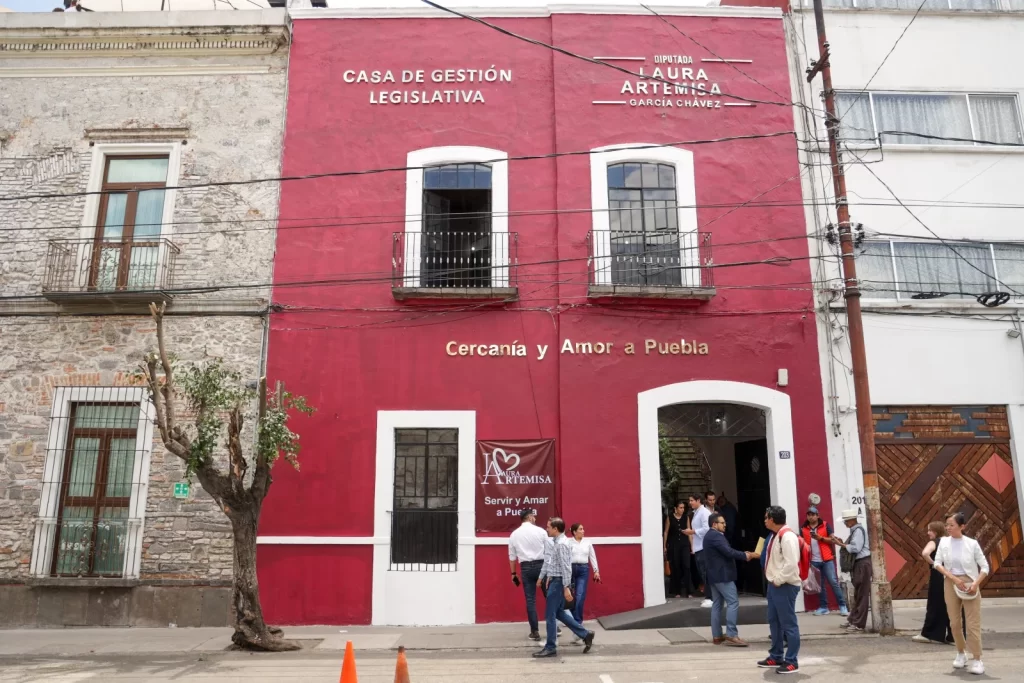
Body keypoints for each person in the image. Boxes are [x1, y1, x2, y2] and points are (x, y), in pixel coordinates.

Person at [932, 512, 990, 675]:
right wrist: (953, 579)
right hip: (951, 582)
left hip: (970, 582)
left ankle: (977, 659)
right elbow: (937, 563)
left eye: (951, 525)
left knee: (972, 623)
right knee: (954, 622)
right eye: (947, 525)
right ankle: (960, 652)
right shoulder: (943, 542)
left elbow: (985, 567)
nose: (948, 528)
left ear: (962, 526)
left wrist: (975, 584)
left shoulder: (972, 544)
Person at [532, 517, 595, 658]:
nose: (547, 529)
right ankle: (585, 634)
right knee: (559, 612)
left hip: (558, 582)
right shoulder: (556, 542)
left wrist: (566, 587)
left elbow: (566, 567)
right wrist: (542, 577)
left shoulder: (561, 544)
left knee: (550, 615)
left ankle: (550, 647)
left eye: (549, 527)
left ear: (555, 529)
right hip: (555, 580)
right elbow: (550, 562)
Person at [756, 505, 801, 675]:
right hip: (776, 585)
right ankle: (776, 656)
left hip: (784, 585)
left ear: (772, 519)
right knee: (774, 621)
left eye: (766, 517)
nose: (765, 520)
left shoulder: (787, 536)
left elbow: (791, 563)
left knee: (788, 624)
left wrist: (778, 580)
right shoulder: (777, 535)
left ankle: (791, 661)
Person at [704, 512, 755, 647]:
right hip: (723, 576)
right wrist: (745, 555)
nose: (725, 525)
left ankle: (717, 635)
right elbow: (729, 552)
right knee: (733, 602)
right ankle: (731, 634)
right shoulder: (716, 536)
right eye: (722, 523)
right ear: (714, 524)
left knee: (717, 605)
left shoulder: (711, 536)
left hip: (715, 576)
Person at [508, 508, 548, 641]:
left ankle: (534, 631)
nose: (535, 519)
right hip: (542, 565)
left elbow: (512, 557)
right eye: (534, 517)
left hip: (525, 568)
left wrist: (513, 574)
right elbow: (549, 550)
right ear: (530, 517)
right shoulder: (541, 531)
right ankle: (554, 626)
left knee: (530, 600)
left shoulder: (514, 534)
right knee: (549, 596)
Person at [913, 521, 955, 645]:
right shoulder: (950, 541)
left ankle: (932, 634)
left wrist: (933, 564)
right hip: (951, 573)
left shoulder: (934, 542)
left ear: (936, 531)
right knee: (951, 604)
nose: (928, 533)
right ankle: (954, 636)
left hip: (938, 574)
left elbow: (925, 553)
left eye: (930, 530)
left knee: (935, 603)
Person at [801, 506, 848, 617]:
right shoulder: (803, 528)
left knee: (833, 582)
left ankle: (842, 606)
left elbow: (832, 540)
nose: (811, 517)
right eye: (809, 515)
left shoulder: (825, 525)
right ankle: (823, 607)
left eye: (813, 514)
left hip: (827, 559)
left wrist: (820, 538)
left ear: (818, 515)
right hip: (813, 560)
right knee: (819, 585)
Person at [832, 509, 871, 633]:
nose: (845, 524)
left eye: (846, 521)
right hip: (859, 564)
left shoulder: (858, 531)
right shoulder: (856, 531)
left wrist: (841, 544)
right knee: (858, 594)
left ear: (852, 520)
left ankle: (859, 624)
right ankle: (853, 619)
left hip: (862, 563)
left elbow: (855, 548)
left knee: (862, 594)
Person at [568, 522, 600, 637]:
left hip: (583, 569)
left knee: (580, 595)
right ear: (575, 532)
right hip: (570, 569)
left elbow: (592, 556)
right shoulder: (568, 542)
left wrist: (596, 571)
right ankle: (573, 621)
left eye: (583, 529)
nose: (583, 531)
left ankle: (578, 622)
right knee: (570, 597)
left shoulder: (587, 542)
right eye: (581, 529)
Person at [684, 493, 712, 607]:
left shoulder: (704, 512)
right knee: (703, 573)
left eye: (692, 500)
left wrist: (693, 532)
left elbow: (707, 528)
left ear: (698, 500)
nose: (690, 503)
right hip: (699, 547)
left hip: (704, 547)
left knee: (706, 573)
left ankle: (711, 597)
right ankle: (708, 596)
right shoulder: (697, 512)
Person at [663, 501, 694, 599]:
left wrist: (691, 546)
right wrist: (664, 545)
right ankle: (677, 591)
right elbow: (666, 532)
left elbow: (689, 531)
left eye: (683, 508)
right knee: (676, 567)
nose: (682, 509)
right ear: (675, 509)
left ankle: (689, 591)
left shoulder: (686, 517)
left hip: (684, 544)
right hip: (674, 545)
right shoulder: (670, 517)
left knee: (687, 566)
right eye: (680, 508)